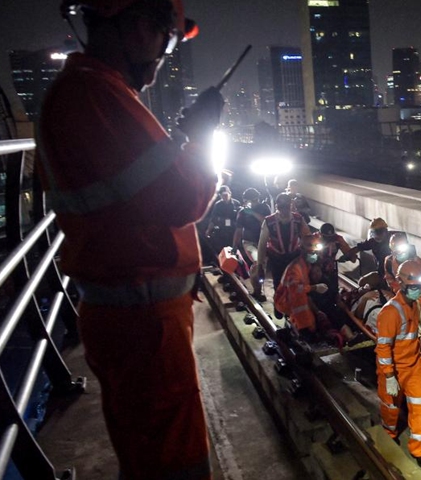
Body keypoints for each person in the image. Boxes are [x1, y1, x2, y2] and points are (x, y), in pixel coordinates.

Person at [37, 1, 220, 478]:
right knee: (175, 461)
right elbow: (184, 197)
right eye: (168, 38)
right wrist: (200, 139)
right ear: (139, 27)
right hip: (144, 323)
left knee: (147, 453)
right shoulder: (94, 97)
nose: (165, 53)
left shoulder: (89, 95)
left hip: (133, 314)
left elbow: (135, 188)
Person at [375, 261, 421, 468]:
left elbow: (410, 332)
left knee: (420, 407)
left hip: (413, 365)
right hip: (394, 369)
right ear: (401, 283)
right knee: (390, 407)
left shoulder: (414, 304)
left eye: (419, 284)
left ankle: (419, 450)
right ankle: (389, 433)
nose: (418, 289)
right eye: (414, 285)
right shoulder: (390, 312)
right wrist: (389, 376)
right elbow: (383, 348)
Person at [258, 192, 310, 317]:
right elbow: (262, 243)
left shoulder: (298, 219)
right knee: (278, 283)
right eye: (281, 207)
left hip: (294, 257)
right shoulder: (269, 221)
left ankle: (296, 306)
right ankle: (279, 306)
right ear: (277, 207)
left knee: (297, 282)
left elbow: (307, 237)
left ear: (291, 206)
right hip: (277, 258)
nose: (284, 210)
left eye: (286, 206)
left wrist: (311, 252)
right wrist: (260, 265)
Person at [274, 233, 330, 339]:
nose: (313, 254)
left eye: (314, 252)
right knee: (301, 300)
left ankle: (308, 326)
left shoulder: (306, 265)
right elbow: (296, 289)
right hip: (285, 300)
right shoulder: (295, 268)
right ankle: (304, 330)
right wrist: (315, 288)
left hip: (294, 298)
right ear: (302, 250)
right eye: (311, 251)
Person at [383, 233, 421, 320]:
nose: (401, 252)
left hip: (415, 284)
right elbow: (390, 280)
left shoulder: (417, 261)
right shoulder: (389, 262)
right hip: (398, 285)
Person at [232, 187, 270, 301]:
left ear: (257, 198)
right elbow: (238, 229)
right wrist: (234, 245)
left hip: (263, 242)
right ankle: (257, 291)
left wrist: (252, 212)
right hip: (249, 242)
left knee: (261, 266)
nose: (251, 203)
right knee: (257, 262)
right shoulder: (242, 212)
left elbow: (266, 221)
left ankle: (259, 289)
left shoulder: (264, 208)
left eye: (253, 200)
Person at [342, 217, 394, 289]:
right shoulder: (373, 242)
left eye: (380, 232)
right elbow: (359, 247)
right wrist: (347, 255)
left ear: (385, 231)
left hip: (395, 275)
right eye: (375, 232)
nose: (378, 235)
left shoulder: (394, 240)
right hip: (381, 273)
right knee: (362, 282)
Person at [205, 185, 240, 253]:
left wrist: (227, 222)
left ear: (230, 193)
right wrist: (209, 230)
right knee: (220, 251)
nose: (224, 197)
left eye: (225, 195)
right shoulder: (218, 205)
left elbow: (239, 219)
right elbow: (213, 219)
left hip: (233, 232)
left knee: (232, 251)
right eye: (222, 195)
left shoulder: (236, 203)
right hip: (221, 232)